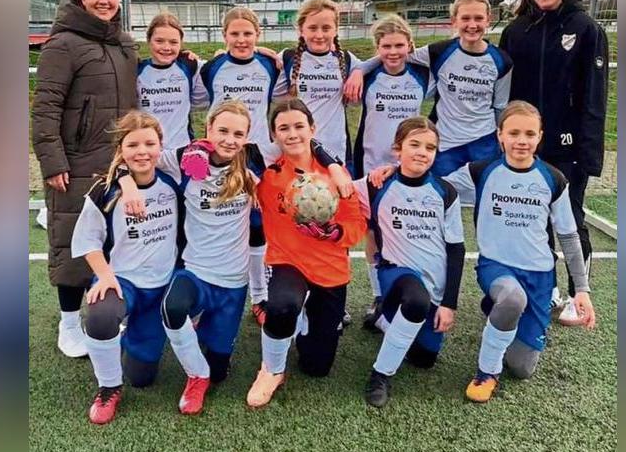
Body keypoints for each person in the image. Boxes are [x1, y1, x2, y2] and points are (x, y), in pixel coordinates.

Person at [115, 100, 349, 415]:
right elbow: (135, 157)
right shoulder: (185, 158)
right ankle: (195, 375)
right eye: (222, 131)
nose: (229, 139)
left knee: (220, 372)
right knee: (172, 310)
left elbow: (300, 140)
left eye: (238, 134)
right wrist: (126, 183)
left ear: (247, 136)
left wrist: (333, 166)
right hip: (195, 271)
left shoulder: (254, 156)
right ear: (208, 129)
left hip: (233, 281)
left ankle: (206, 344)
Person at [439, 101, 596, 401]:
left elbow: (568, 235)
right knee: (512, 299)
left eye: (529, 134)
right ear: (500, 135)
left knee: (521, 368)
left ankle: (499, 312)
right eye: (513, 133)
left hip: (539, 277)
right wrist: (392, 173)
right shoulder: (481, 171)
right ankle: (486, 373)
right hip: (496, 267)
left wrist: (582, 289)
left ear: (540, 136)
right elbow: (435, 185)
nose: (521, 141)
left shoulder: (553, 180)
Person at [32, 0, 138, 358]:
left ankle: (107, 312)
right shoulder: (62, 44)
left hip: (117, 164)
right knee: (72, 242)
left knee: (113, 241)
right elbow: (46, 108)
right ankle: (68, 324)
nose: (104, 1)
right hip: (75, 164)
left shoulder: (124, 45)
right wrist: (53, 161)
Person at [499, 0, 609, 325]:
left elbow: (595, 95)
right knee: (534, 221)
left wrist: (589, 152)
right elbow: (505, 92)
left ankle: (580, 297)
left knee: (570, 221)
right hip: (526, 146)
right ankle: (548, 291)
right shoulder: (517, 31)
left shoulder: (585, 28)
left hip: (569, 145)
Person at [246, 99, 366, 408]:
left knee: (317, 367)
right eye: (283, 128)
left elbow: (357, 225)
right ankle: (271, 370)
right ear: (273, 135)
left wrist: (335, 232)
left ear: (312, 128)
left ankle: (304, 325)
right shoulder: (268, 175)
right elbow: (223, 150)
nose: (292, 134)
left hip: (330, 269)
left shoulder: (337, 175)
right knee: (282, 305)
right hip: (288, 262)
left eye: (299, 126)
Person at [70, 111, 182, 425]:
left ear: (161, 146)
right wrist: (105, 276)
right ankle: (108, 387)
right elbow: (88, 241)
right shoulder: (104, 191)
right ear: (121, 149)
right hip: (122, 281)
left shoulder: (174, 182)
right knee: (101, 314)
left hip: (161, 286)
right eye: (133, 145)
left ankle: (127, 342)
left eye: (150, 143)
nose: (142, 151)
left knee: (142, 377)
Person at [354, 117, 465, 408]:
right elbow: (335, 186)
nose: (422, 152)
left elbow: (456, 250)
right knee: (416, 301)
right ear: (397, 149)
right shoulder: (376, 185)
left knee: (423, 359)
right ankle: (380, 374)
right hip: (396, 275)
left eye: (430, 147)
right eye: (414, 144)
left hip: (434, 286)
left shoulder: (446, 192)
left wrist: (449, 304)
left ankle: (383, 319)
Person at [346, 0, 513, 177]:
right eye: (465, 18)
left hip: (484, 141)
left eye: (478, 18)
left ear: (488, 20)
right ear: (454, 21)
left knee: (483, 191)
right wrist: (359, 69)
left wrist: (502, 140)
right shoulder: (439, 51)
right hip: (446, 143)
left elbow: (500, 106)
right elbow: (399, 55)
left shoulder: (502, 61)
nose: (472, 25)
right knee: (441, 191)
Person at [198, 7, 289, 325]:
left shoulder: (270, 66)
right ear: (224, 36)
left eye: (248, 33)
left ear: (257, 35)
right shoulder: (211, 68)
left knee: (257, 225)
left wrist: (267, 52)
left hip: (257, 155)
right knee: (215, 222)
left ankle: (260, 296)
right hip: (221, 153)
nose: (241, 39)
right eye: (234, 34)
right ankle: (206, 292)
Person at [352, 15, 434, 329]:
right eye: (386, 46)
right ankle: (378, 295)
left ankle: (408, 290)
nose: (393, 52)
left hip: (409, 167)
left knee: (405, 228)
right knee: (374, 232)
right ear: (378, 48)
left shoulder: (423, 75)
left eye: (400, 45)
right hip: (372, 165)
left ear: (410, 46)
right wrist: (360, 69)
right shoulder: (368, 76)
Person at [280, 0, 360, 169]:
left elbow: (379, 62)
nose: (319, 35)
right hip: (298, 147)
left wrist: (359, 71)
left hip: (336, 148)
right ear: (301, 30)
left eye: (326, 28)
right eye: (312, 28)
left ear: (336, 30)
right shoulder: (288, 58)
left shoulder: (346, 59)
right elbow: (253, 59)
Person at [137, 12, 204, 149]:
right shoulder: (136, 70)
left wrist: (221, 54)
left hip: (181, 150)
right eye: (159, 41)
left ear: (181, 43)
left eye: (173, 42)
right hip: (147, 150)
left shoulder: (190, 66)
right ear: (148, 40)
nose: (166, 47)